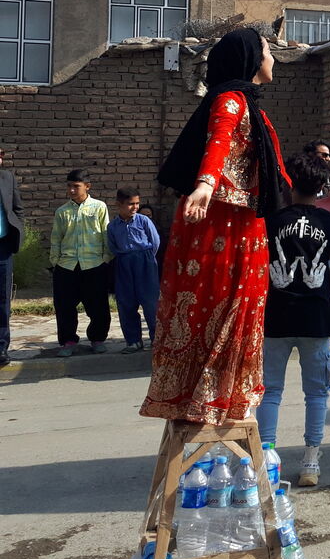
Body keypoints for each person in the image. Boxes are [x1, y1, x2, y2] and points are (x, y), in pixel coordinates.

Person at [142, 28, 290, 424]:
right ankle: (210, 395)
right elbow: (218, 142)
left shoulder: (246, 102)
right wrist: (206, 184)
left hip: (242, 221)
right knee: (220, 307)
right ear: (251, 60)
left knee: (236, 308)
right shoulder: (231, 101)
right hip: (226, 225)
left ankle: (219, 393)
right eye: (267, 51)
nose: (272, 58)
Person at [258, 152, 330, 488]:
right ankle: (311, 458)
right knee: (317, 392)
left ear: (289, 184)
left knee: (270, 390)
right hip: (317, 316)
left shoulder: (271, 221)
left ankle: (266, 457)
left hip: (275, 315)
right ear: (322, 186)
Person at [49, 169, 112, 358]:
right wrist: (55, 262)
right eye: (69, 186)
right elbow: (56, 239)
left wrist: (105, 259)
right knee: (65, 306)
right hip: (67, 266)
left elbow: (105, 235)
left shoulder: (99, 207)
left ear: (87, 186)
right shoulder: (62, 211)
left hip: (94, 264)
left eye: (76, 186)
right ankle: (68, 340)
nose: (72, 190)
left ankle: (97, 338)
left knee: (98, 305)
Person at [106, 188, 161, 353]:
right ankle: (133, 341)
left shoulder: (144, 221)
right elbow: (112, 247)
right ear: (119, 204)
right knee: (126, 303)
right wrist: (125, 258)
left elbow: (155, 242)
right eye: (131, 204)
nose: (135, 207)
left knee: (151, 303)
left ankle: (156, 340)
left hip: (145, 262)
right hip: (124, 263)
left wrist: (146, 260)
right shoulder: (112, 226)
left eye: (137, 203)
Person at [0, 144, 24, 368]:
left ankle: (1, 348)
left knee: (2, 301)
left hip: (3, 247)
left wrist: (19, 230)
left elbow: (17, 208)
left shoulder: (7, 178)